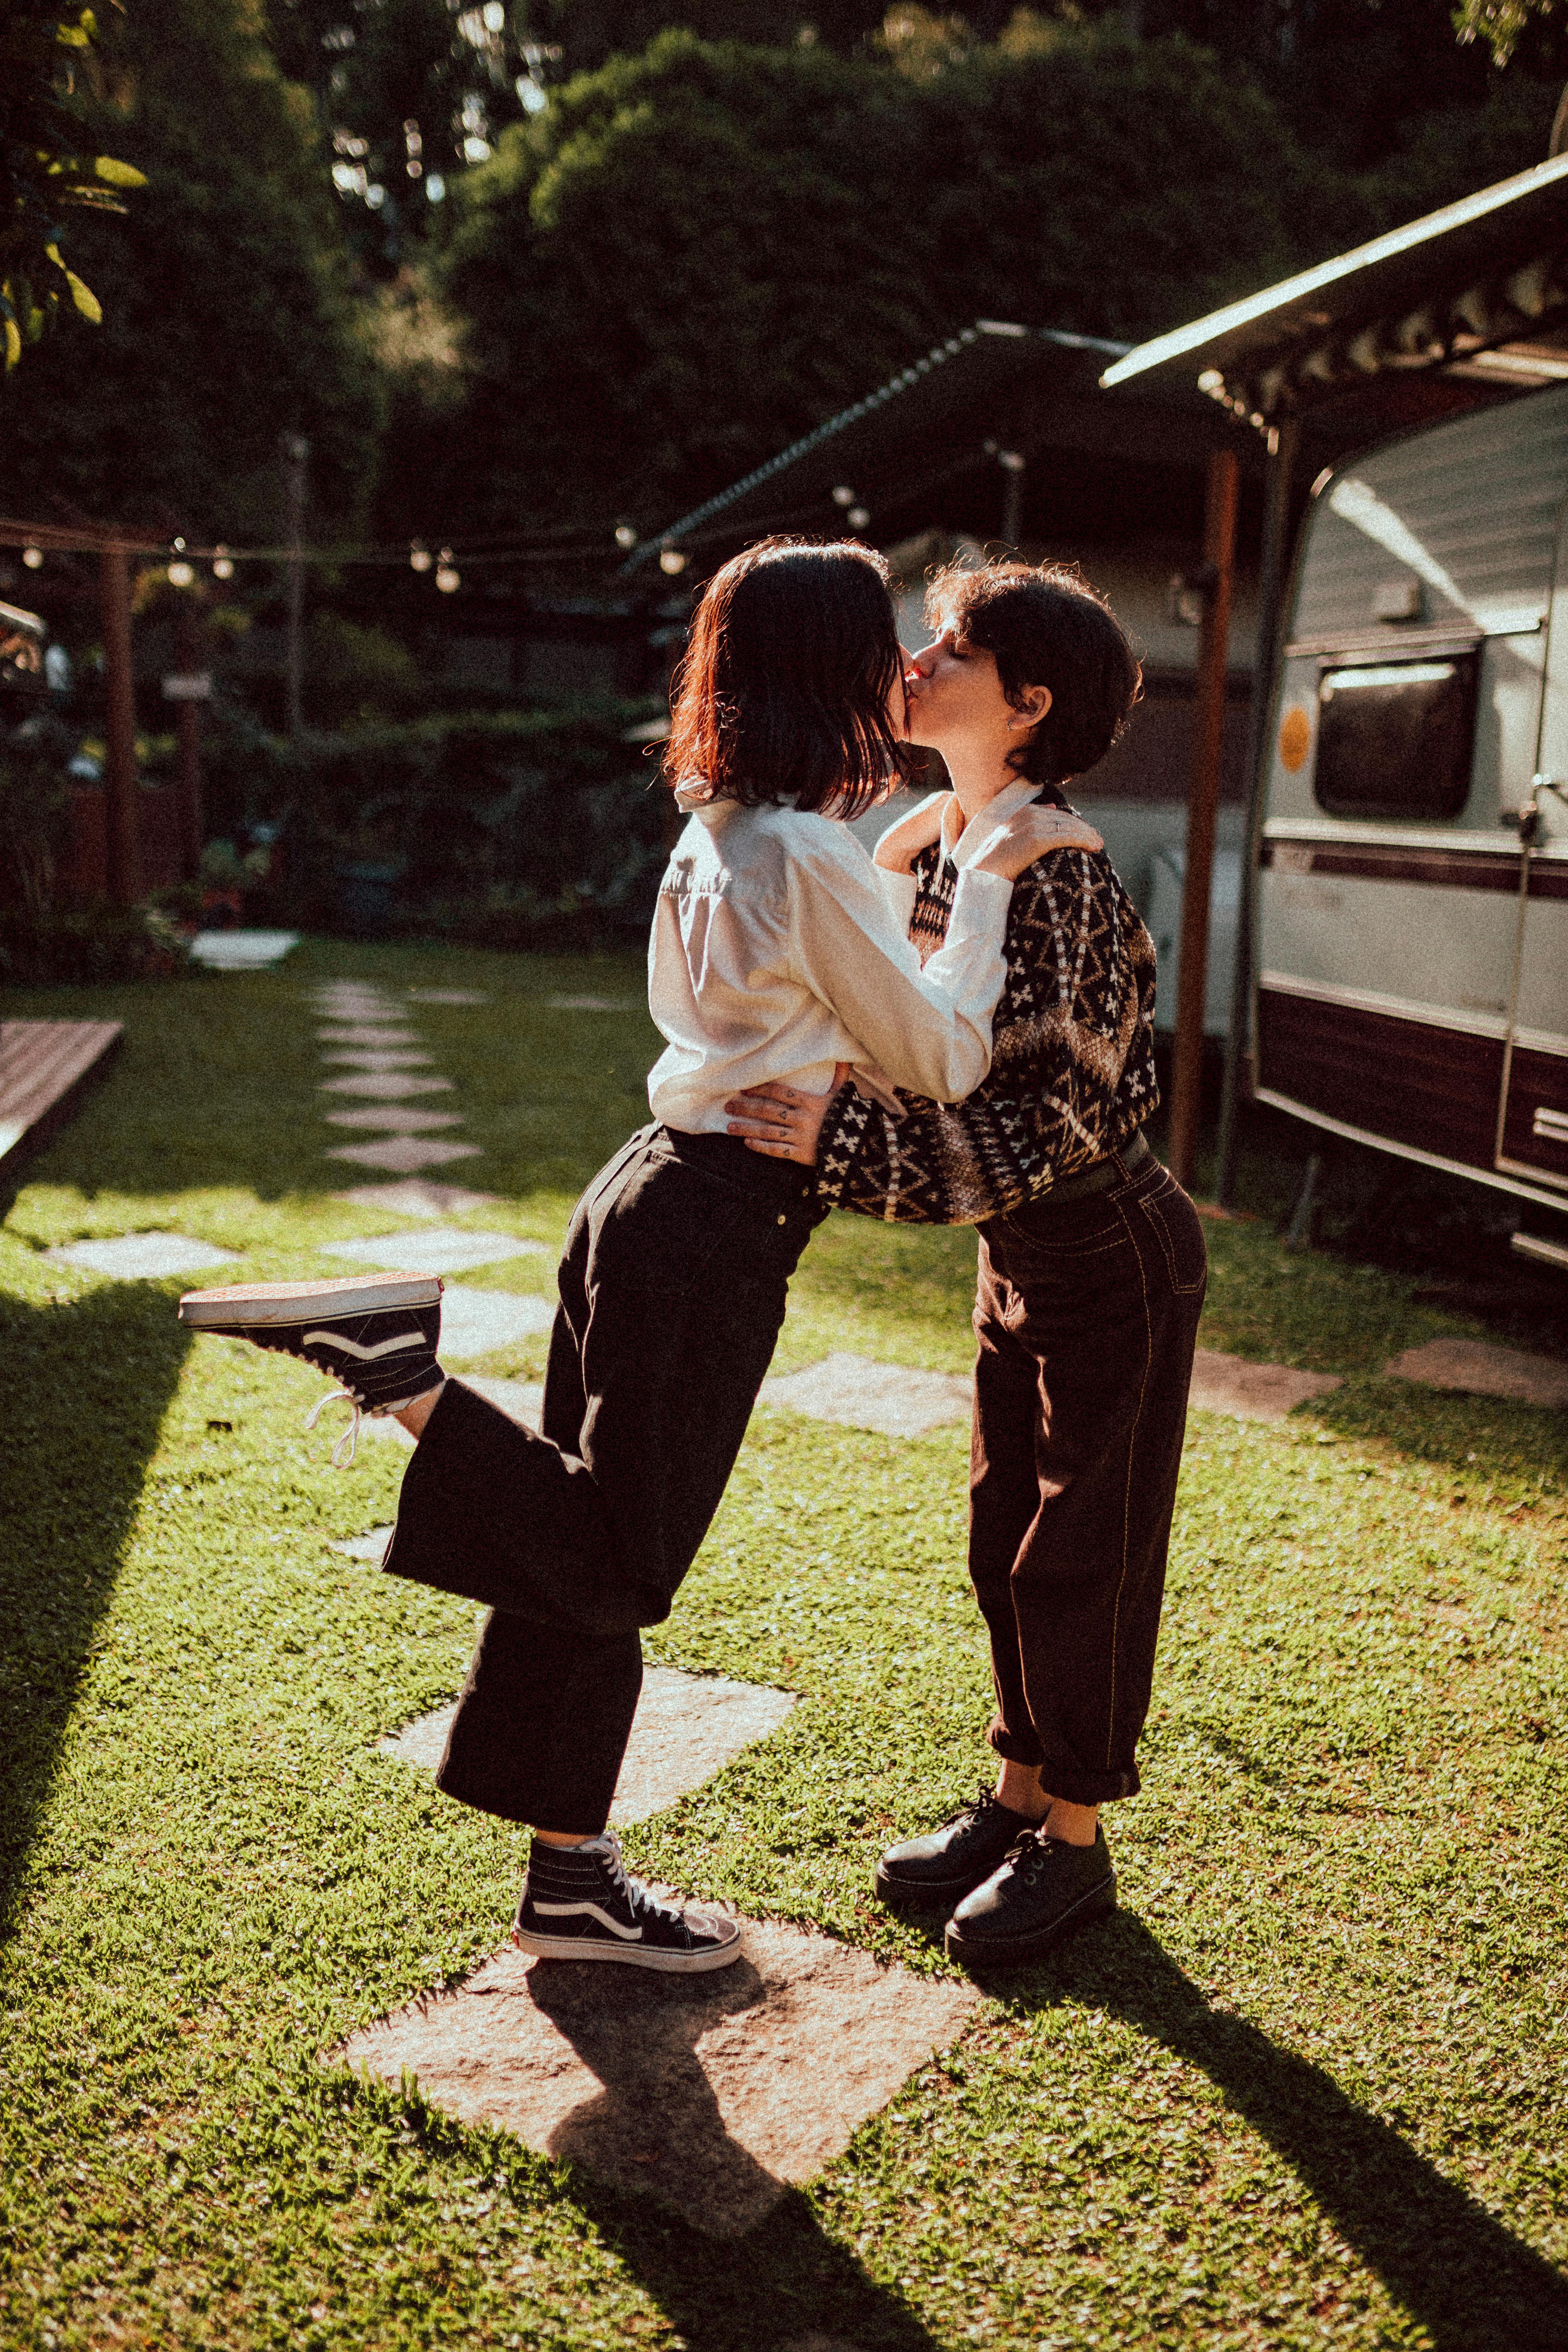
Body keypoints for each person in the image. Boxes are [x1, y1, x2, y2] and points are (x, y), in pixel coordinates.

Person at [177, 538, 1094, 1976]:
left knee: (578, 1537)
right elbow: (943, 1053)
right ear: (835, 669)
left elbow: (812, 990)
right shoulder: (806, 855)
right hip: (712, 1226)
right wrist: (984, 884)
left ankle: (567, 1878)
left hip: (642, 1194)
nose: (897, 670)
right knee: (619, 1559)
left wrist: (898, 865)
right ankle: (401, 1377)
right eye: (878, 645)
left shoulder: (723, 827)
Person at [725, 559, 1206, 1970]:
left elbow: (1039, 1126)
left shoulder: (1052, 873)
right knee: (1004, 1537)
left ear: (1029, 701)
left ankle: (1075, 1845)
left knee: (1083, 1554)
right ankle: (1013, 1800)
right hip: (1025, 1258)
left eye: (954, 645)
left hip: (1106, 1245)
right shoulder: (931, 835)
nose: (915, 656)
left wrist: (829, 1140)